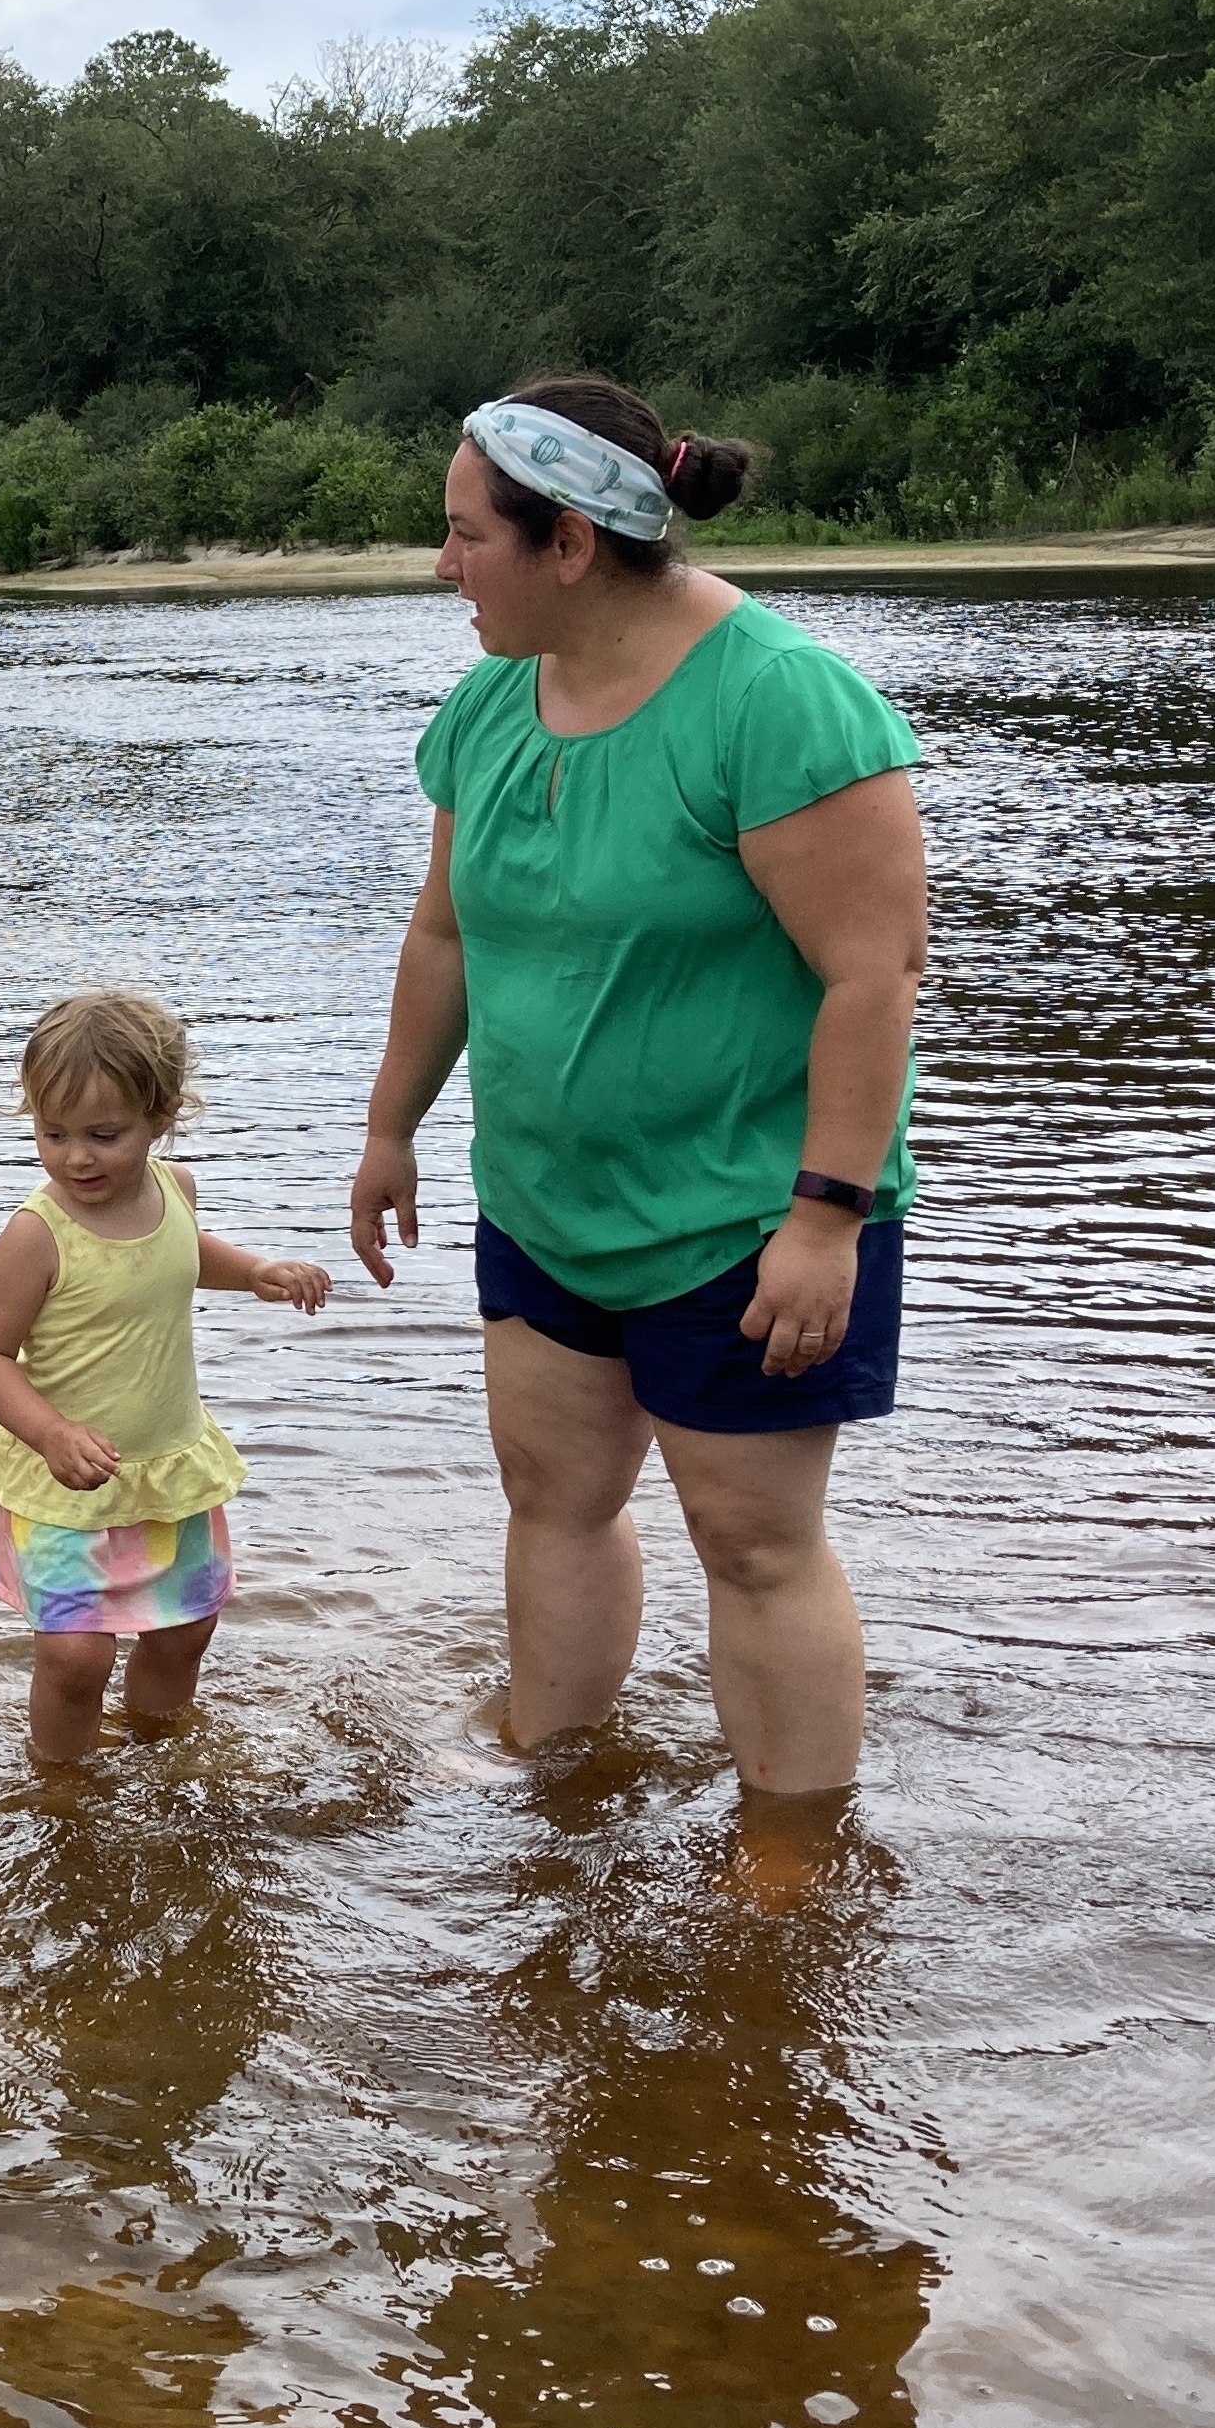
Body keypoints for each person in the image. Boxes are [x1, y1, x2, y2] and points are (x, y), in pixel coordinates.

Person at [348, 376, 927, 1803]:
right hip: (547, 1205)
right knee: (554, 1499)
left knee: (752, 1544)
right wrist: (389, 1127)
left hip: (746, 1218)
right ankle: (557, 1778)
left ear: (571, 547)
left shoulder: (781, 702)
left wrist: (826, 1219)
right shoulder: (490, 706)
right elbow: (445, 929)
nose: (442, 565)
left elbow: (876, 975)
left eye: (465, 534)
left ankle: (794, 1859)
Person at [0, 993, 333, 1764]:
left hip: (166, 1467)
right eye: (52, 1134)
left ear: (162, 1116)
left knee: (186, 1628)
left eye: (105, 1135)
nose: (76, 1158)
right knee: (77, 1658)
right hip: (65, 1481)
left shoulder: (174, 1188)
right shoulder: (36, 1235)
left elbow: (184, 1253)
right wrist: (50, 1432)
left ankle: (159, 1755)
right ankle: (63, 1788)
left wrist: (258, 1270)